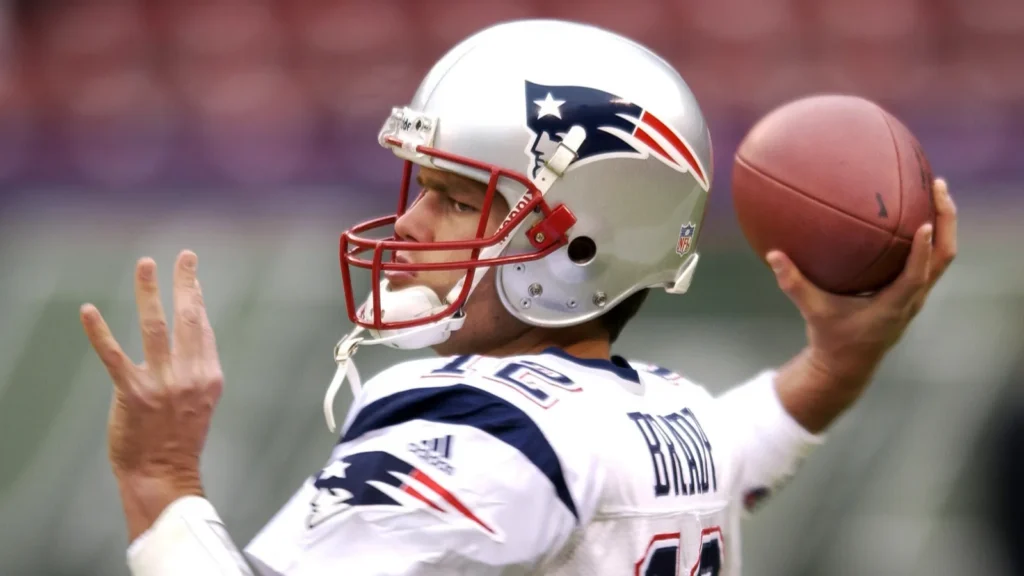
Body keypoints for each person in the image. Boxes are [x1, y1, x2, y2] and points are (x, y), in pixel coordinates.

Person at [79, 19, 957, 576]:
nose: (416, 225)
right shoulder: (669, 414)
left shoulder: (478, 427)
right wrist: (843, 357)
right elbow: (754, 442)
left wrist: (161, 481)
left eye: (458, 198)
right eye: (422, 187)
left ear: (582, 241)